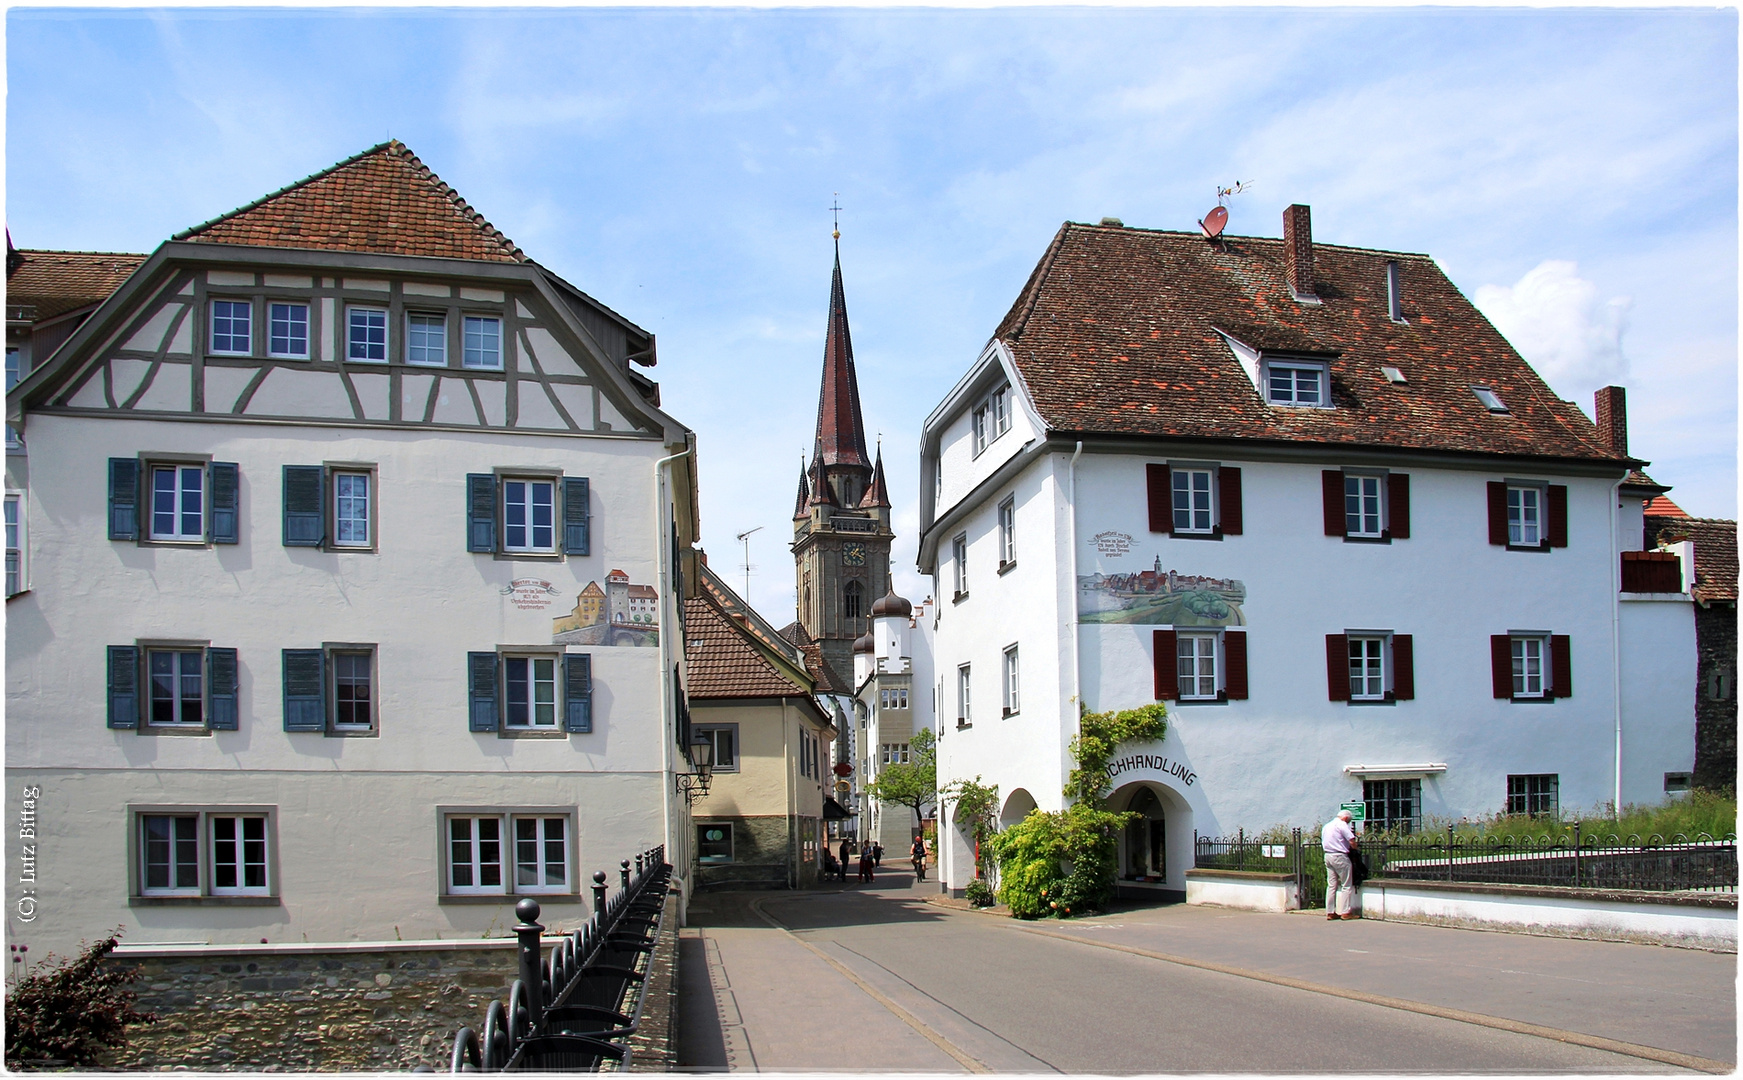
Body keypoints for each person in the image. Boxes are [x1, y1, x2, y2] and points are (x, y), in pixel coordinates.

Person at [1322, 809, 1360, 920]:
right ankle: (1345, 912)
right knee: (1346, 884)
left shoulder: (1327, 826)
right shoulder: (1342, 825)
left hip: (1328, 855)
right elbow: (1351, 840)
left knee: (1331, 885)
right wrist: (1355, 849)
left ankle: (1330, 911)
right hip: (1339, 856)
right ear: (1346, 818)